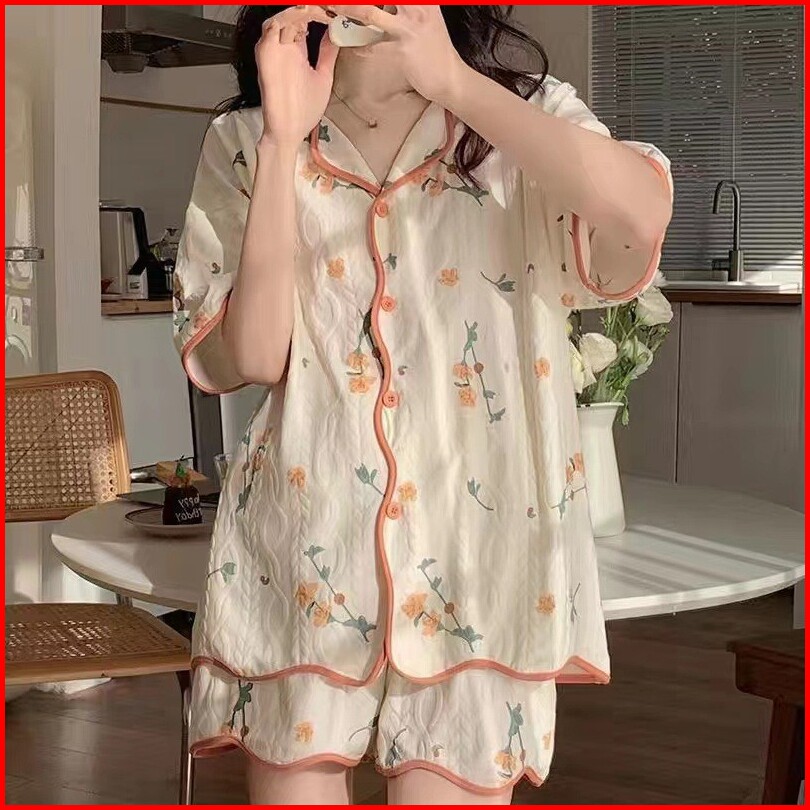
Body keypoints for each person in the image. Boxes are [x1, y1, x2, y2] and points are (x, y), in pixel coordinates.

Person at [172, 5, 673, 805]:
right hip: (302, 553)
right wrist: (281, 143)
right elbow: (258, 356)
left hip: (481, 563)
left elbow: (641, 213)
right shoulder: (246, 136)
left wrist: (453, 83)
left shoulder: (522, 116)